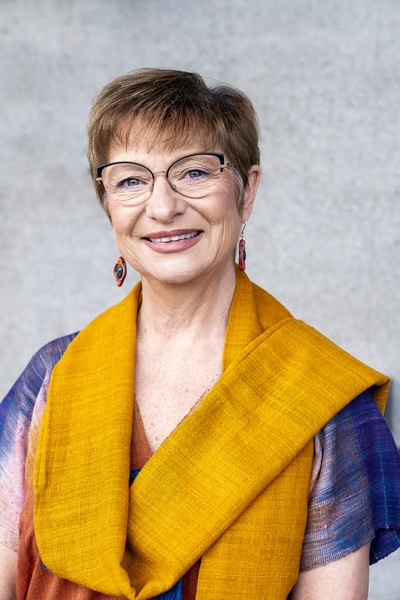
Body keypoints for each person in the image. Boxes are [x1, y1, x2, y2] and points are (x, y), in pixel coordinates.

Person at [1, 68, 400, 600]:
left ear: (247, 190)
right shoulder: (52, 376)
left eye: (193, 173)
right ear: (108, 205)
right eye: (130, 180)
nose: (162, 207)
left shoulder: (320, 396)